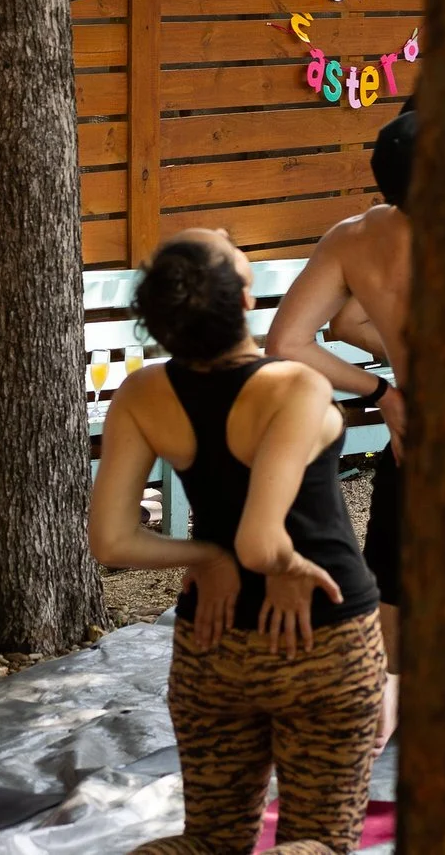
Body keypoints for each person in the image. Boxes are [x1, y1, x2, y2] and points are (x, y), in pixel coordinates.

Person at [91, 230, 383, 855]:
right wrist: (279, 561)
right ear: (245, 297)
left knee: (210, 843)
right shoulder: (296, 386)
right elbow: (260, 541)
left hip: (212, 641)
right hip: (323, 635)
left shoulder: (142, 395)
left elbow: (112, 541)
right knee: (320, 842)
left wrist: (206, 554)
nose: (227, 235)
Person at [265, 108, 414, 711]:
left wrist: (386, 393)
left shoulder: (354, 237)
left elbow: (287, 342)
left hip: (415, 437)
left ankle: (379, 730)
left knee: (394, 599)